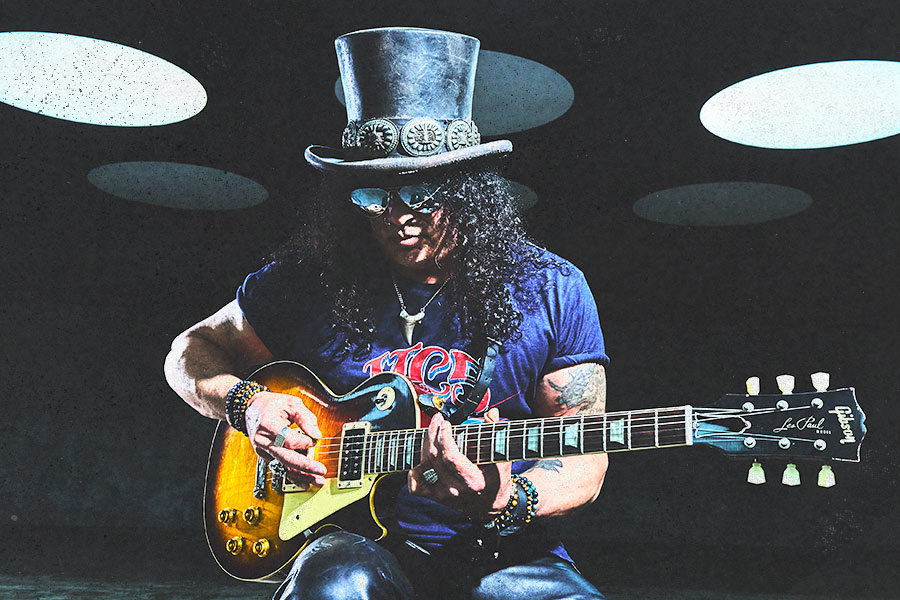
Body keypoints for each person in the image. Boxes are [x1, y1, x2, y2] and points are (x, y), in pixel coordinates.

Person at [165, 27, 609, 600]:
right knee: (335, 585)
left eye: (422, 193)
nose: (399, 216)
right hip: (352, 543)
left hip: (504, 545)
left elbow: (585, 457)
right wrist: (248, 405)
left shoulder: (550, 287)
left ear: (467, 189)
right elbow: (188, 352)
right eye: (375, 194)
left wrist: (511, 497)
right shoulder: (305, 283)